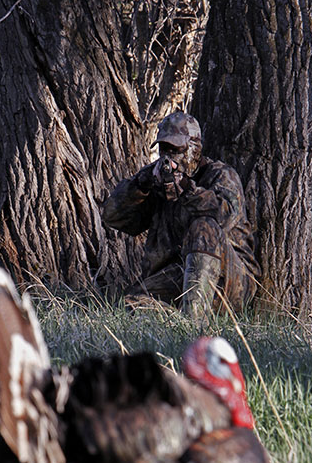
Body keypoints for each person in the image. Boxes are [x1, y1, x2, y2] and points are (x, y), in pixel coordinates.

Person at [102, 111, 260, 320]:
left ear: (194, 148)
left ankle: (194, 324)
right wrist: (142, 183)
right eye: (164, 149)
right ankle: (175, 319)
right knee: (129, 309)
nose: (168, 157)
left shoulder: (221, 174)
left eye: (175, 150)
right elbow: (113, 217)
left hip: (230, 281)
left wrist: (187, 190)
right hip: (179, 275)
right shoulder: (157, 182)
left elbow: (225, 215)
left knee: (203, 226)